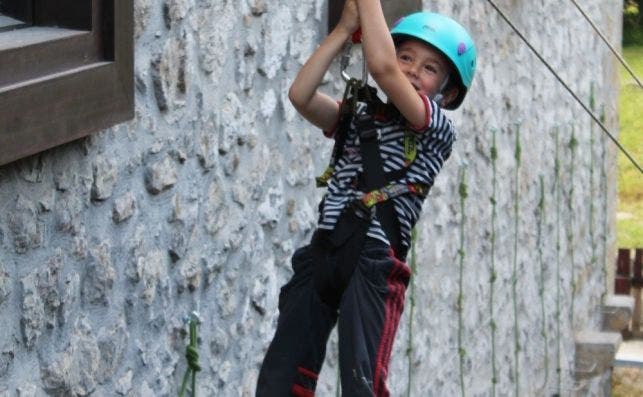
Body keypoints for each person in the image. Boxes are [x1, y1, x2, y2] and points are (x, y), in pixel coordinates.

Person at [256, 0, 476, 395]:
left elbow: (383, 69)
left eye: (429, 68)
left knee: (362, 383)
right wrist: (343, 30)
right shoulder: (360, 117)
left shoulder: (435, 125)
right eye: (405, 55)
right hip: (324, 250)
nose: (411, 69)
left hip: (374, 260)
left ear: (449, 90)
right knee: (280, 376)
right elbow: (301, 96)